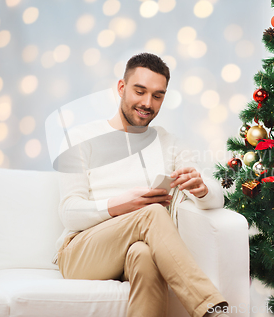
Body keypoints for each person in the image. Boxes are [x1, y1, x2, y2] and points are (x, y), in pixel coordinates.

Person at [55, 53, 230, 317]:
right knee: (151, 213)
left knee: (145, 255)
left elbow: (218, 198)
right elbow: (69, 211)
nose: (147, 103)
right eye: (140, 91)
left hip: (133, 251)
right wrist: (120, 205)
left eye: (157, 96)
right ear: (121, 88)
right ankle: (211, 309)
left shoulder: (168, 143)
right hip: (80, 252)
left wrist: (202, 188)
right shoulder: (80, 138)